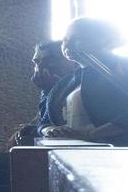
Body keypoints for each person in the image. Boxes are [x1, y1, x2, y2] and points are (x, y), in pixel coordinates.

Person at [43, 17, 128, 145]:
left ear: (106, 40)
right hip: (71, 153)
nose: (67, 45)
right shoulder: (65, 82)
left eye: (77, 39)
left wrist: (90, 135)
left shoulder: (123, 68)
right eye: (65, 40)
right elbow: (45, 121)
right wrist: (50, 130)